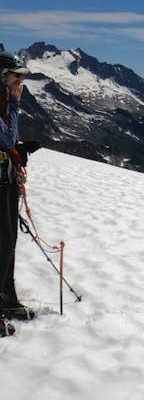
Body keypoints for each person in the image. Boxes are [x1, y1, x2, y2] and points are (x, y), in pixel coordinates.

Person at [0, 48, 34, 337]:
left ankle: (6, 298)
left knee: (8, 240)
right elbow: (6, 136)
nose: (19, 83)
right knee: (2, 241)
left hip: (5, 178)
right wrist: (14, 102)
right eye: (15, 77)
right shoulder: (5, 99)